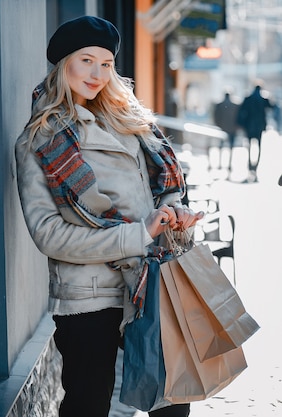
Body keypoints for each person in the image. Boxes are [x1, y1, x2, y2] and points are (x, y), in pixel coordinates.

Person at [14, 16, 204, 417]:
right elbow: (49, 235)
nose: (97, 73)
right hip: (88, 296)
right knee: (88, 405)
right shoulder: (41, 140)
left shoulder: (129, 122)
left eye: (105, 64)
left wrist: (173, 210)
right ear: (64, 64)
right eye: (86, 60)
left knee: (172, 399)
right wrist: (137, 234)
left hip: (148, 283)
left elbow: (159, 188)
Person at [237, 84, 272, 181]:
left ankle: (250, 167)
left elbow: (241, 111)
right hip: (259, 126)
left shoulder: (248, 98)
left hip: (249, 126)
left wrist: (242, 124)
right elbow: (271, 107)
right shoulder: (263, 99)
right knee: (258, 148)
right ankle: (255, 168)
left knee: (249, 148)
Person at [213, 92, 240, 173]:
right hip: (232, 129)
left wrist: (218, 125)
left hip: (222, 128)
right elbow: (238, 117)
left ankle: (220, 164)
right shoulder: (235, 105)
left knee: (221, 147)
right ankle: (229, 164)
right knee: (231, 147)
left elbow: (216, 116)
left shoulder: (220, 105)